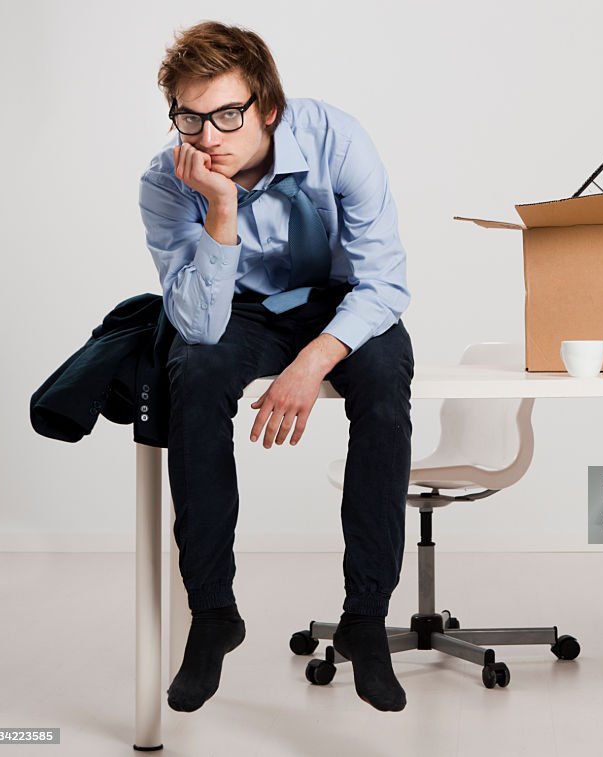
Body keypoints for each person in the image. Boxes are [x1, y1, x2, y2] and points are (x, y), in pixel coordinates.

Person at [139, 21, 413, 713]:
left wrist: (314, 358)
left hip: (340, 300)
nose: (208, 137)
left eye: (227, 114)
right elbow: (199, 322)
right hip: (240, 306)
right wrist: (221, 207)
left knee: (383, 380)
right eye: (190, 118)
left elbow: (384, 281)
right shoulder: (168, 182)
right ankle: (212, 613)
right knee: (194, 374)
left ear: (268, 107)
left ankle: (366, 617)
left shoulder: (337, 140)